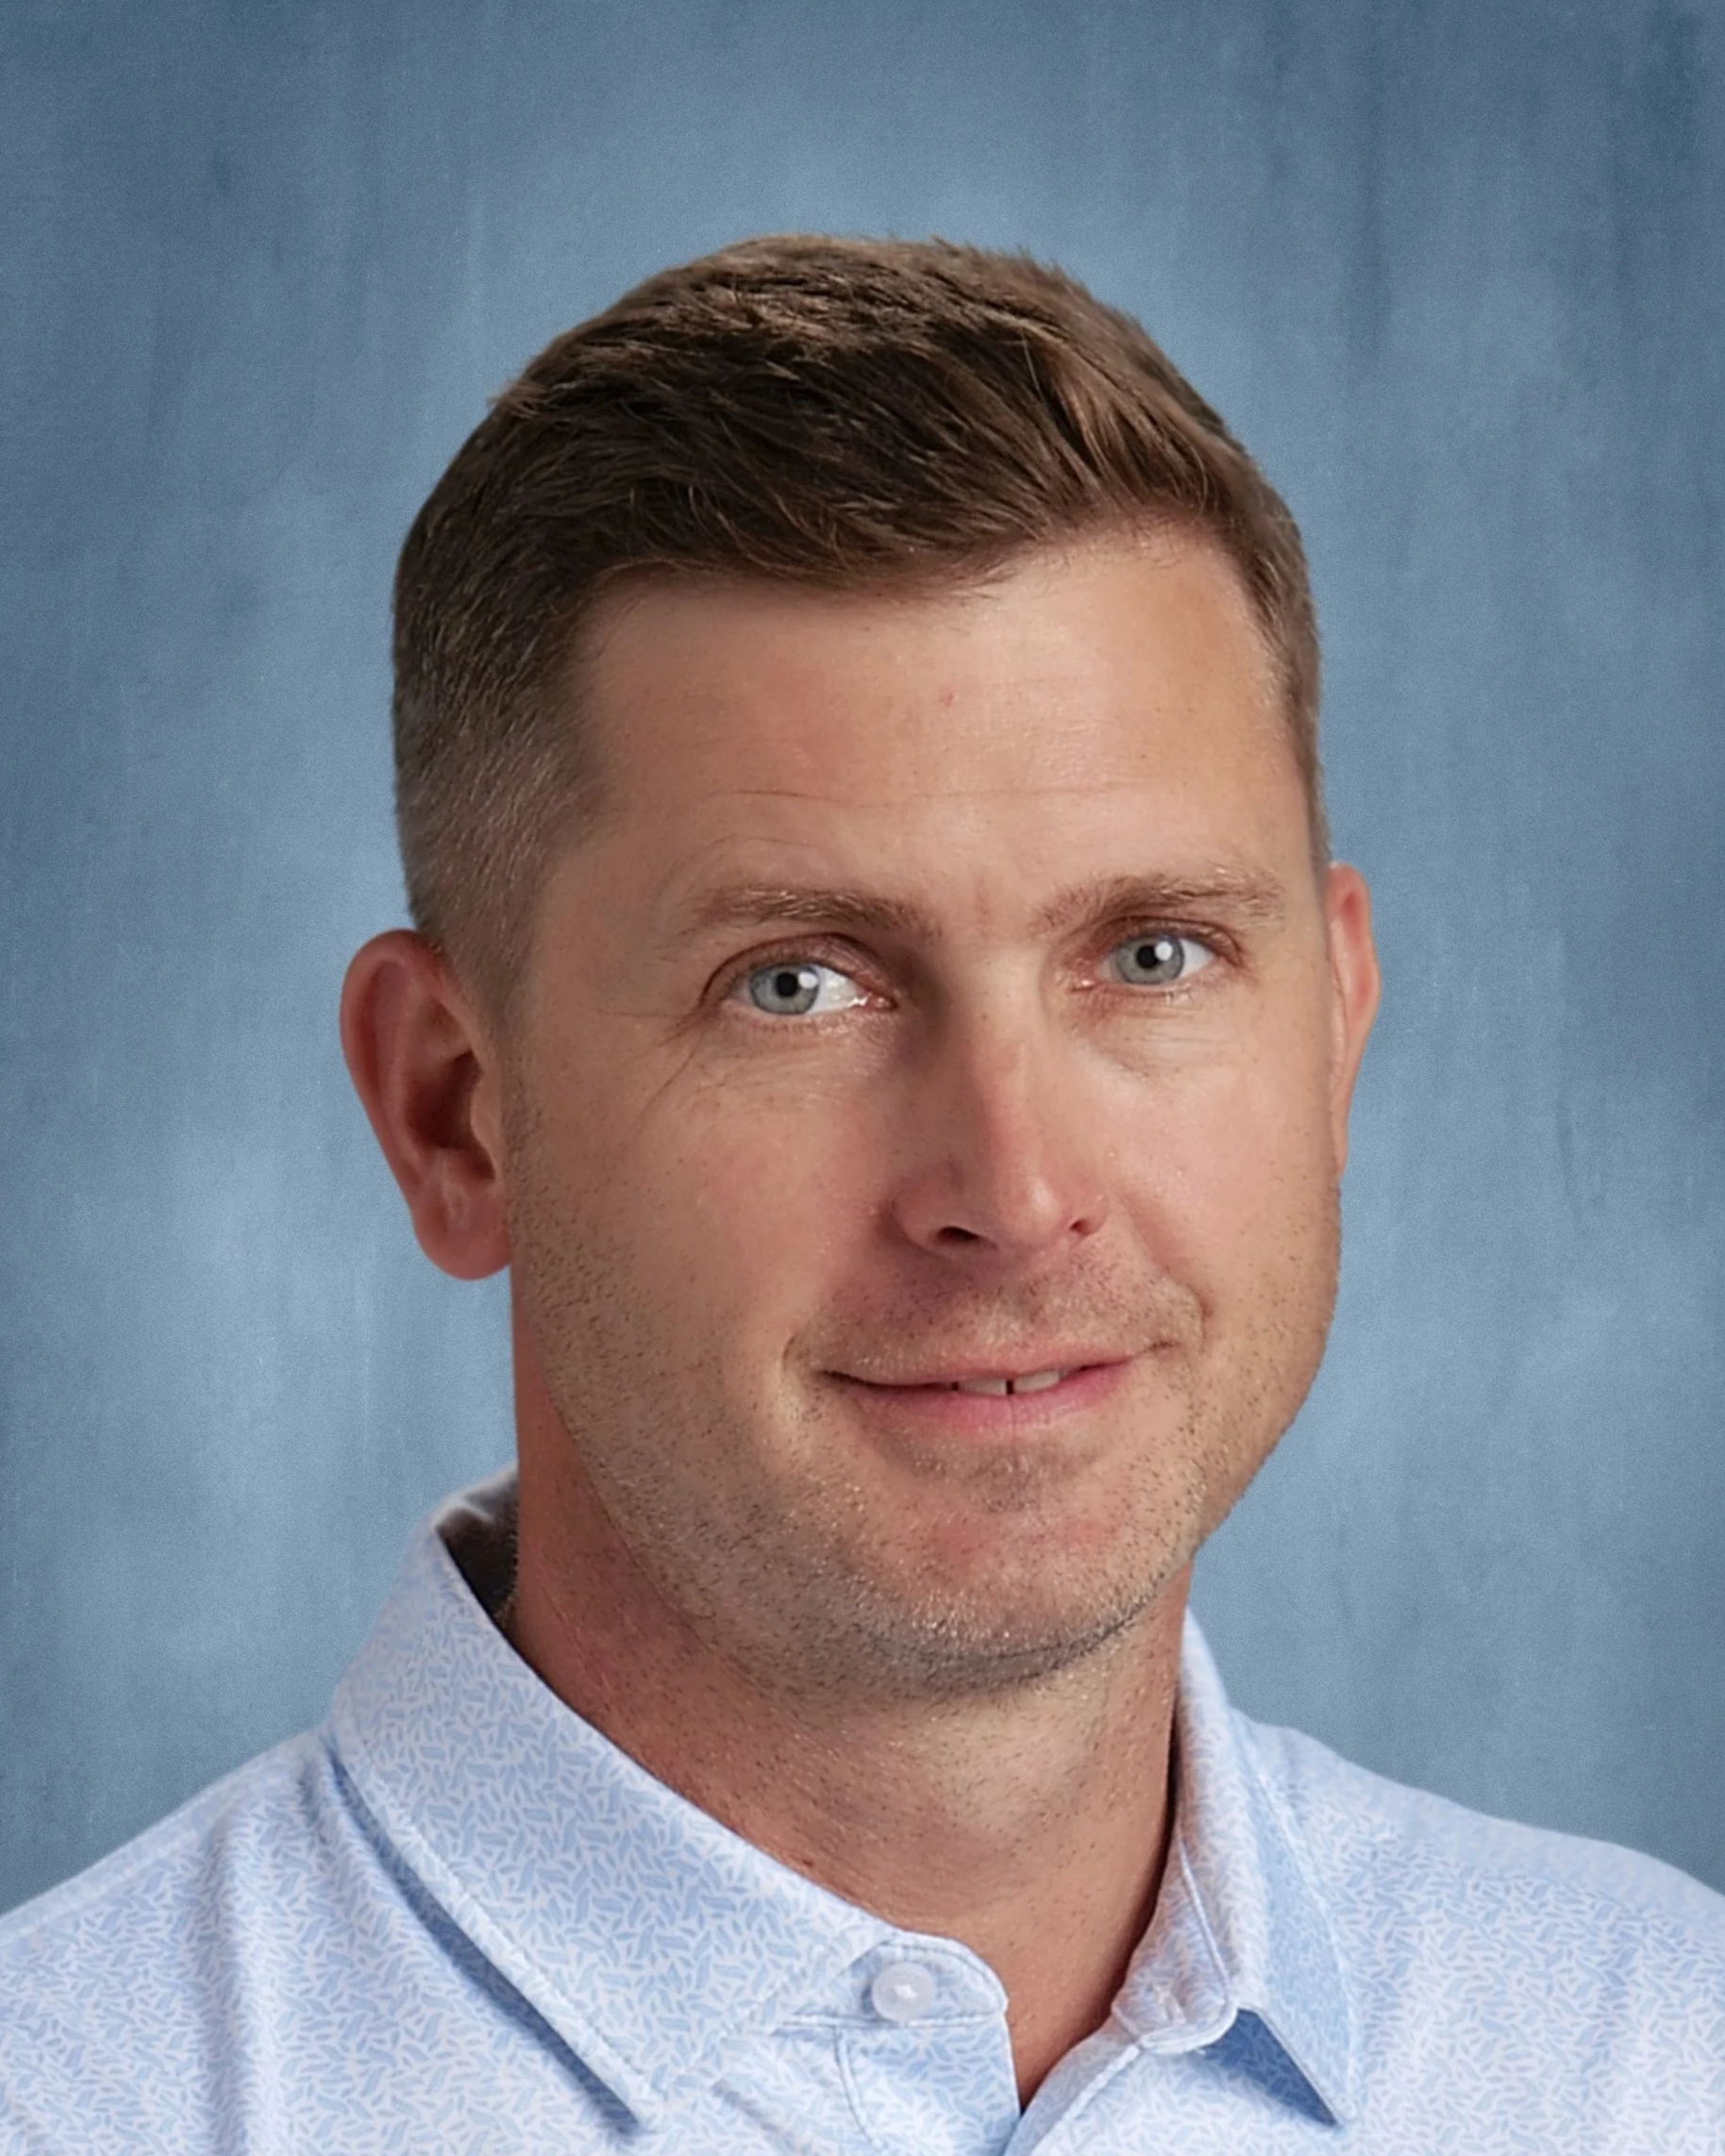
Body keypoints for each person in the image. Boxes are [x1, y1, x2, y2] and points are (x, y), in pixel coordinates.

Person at [1, 234, 1720, 2155]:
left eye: (1148, 955)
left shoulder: (1653, 2055)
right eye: (794, 982)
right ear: (453, 1111)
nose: (1013, 1186)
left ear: (1330, 1030)